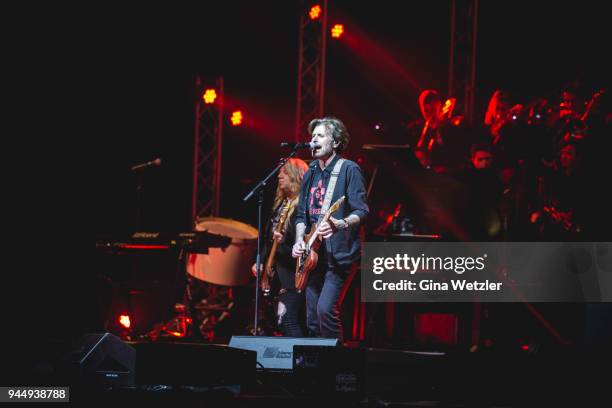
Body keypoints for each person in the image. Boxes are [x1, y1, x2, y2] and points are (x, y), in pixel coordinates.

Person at [292, 117, 369, 342]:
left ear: (335, 142)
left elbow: (362, 211)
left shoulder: (349, 170)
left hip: (340, 256)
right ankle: (316, 369)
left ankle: (338, 366)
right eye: (312, 136)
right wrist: (299, 241)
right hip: (312, 256)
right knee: (312, 319)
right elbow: (301, 216)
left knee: (325, 310)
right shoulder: (311, 172)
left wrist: (340, 224)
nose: (313, 140)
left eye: (320, 135)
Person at [251, 158, 309, 337]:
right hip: (278, 272)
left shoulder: (303, 205)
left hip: (293, 274)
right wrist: (259, 260)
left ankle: (300, 361)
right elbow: (268, 239)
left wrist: (284, 240)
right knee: (278, 321)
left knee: (288, 319)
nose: (279, 175)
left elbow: (304, 243)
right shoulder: (280, 205)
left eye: (284, 171)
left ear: (296, 174)